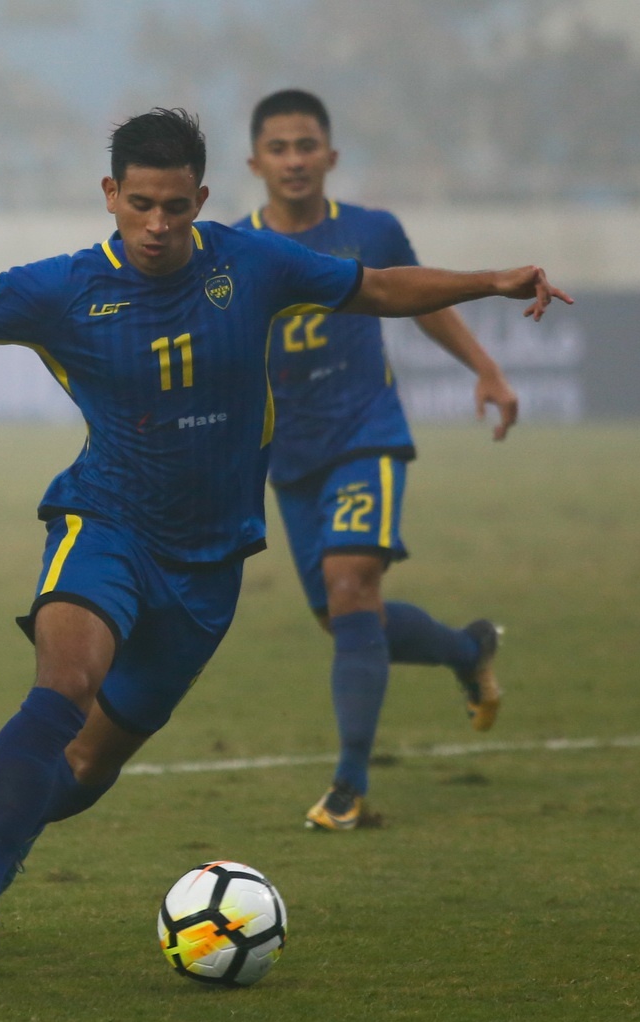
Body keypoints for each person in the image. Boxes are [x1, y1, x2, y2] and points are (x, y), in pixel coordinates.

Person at [0, 108, 570, 968]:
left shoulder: (252, 261)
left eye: (175, 207)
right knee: (64, 686)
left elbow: (377, 289)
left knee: (83, 770)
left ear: (201, 198)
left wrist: (490, 280)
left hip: (210, 563)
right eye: (140, 205)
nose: (158, 225)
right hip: (105, 524)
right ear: (111, 195)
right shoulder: (59, 288)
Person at [235, 88, 517, 832]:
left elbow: (418, 300)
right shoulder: (233, 248)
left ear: (330, 155)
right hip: (289, 457)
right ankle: (468, 650)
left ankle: (349, 787)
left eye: (306, 146)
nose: (294, 160)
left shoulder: (371, 230)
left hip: (366, 433)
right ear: (254, 163)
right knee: (345, 617)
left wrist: (485, 368)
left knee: (351, 585)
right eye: (278, 148)